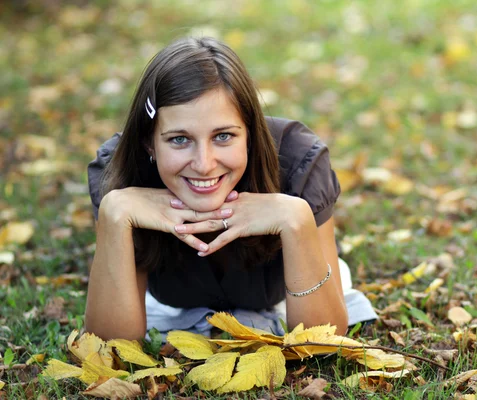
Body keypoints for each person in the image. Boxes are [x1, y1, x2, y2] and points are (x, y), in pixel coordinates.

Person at [86, 36, 376, 341]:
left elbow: (322, 340)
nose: (204, 164)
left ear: (250, 133)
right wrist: (115, 214)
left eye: (223, 136)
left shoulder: (299, 162)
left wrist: (296, 219)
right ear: (149, 143)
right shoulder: (120, 173)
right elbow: (110, 347)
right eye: (179, 139)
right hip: (168, 304)